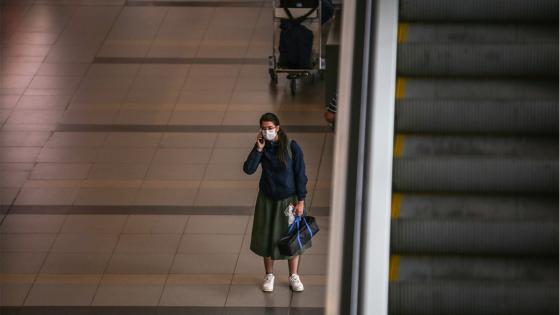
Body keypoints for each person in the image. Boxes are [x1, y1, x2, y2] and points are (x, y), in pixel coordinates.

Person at [243, 112, 310, 293]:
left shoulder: (291, 146)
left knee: (292, 237)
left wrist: (301, 201)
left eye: (270, 128)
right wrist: (258, 149)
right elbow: (248, 169)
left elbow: (300, 175)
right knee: (267, 237)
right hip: (267, 199)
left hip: (289, 200)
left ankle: (294, 275)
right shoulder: (262, 146)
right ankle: (269, 274)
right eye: (264, 129)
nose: (267, 131)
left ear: (278, 128)